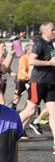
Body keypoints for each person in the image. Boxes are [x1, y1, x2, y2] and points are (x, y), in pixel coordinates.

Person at [19, 22, 55, 152]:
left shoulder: (51, 44)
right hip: (38, 82)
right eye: (53, 29)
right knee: (30, 110)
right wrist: (50, 63)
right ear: (45, 31)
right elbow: (31, 61)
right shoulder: (39, 44)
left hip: (51, 83)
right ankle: (7, 128)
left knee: (53, 113)